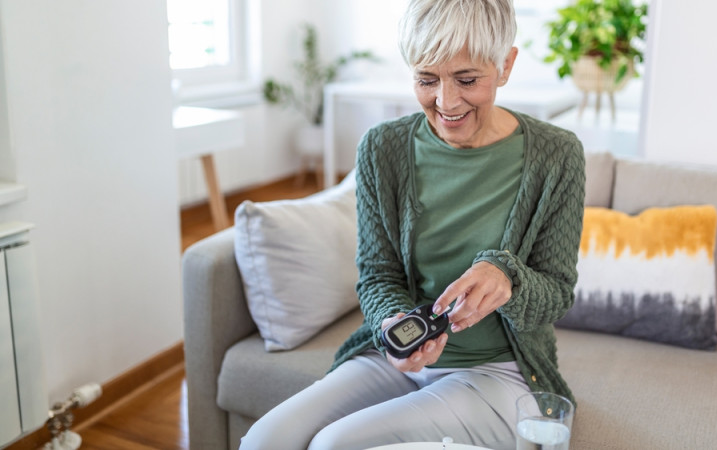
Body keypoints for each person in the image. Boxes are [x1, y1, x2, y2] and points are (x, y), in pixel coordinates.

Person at [239, 0, 585, 448]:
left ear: (506, 65)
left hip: (499, 370)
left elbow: (557, 292)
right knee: (266, 439)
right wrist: (390, 325)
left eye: (467, 79)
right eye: (426, 79)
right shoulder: (382, 148)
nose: (446, 101)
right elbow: (378, 274)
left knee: (334, 444)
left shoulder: (557, 156)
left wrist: (508, 276)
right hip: (399, 361)